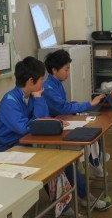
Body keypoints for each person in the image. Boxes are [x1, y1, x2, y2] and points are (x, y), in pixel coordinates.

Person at [0, 56, 111, 218]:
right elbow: (27, 127)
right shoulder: (10, 101)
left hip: (29, 144)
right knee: (52, 165)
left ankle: (84, 195)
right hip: (11, 150)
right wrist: (39, 100)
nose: (43, 83)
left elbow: (41, 120)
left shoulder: (29, 95)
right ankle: (64, 210)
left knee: (65, 161)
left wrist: (43, 112)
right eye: (41, 79)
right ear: (31, 81)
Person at [42, 49, 108, 178]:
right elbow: (63, 108)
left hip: (62, 120)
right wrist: (89, 104)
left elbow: (63, 105)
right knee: (89, 131)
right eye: (66, 69)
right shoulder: (48, 88)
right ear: (54, 70)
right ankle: (94, 160)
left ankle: (96, 157)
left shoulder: (57, 83)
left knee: (94, 128)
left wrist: (78, 104)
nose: (68, 72)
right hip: (56, 126)